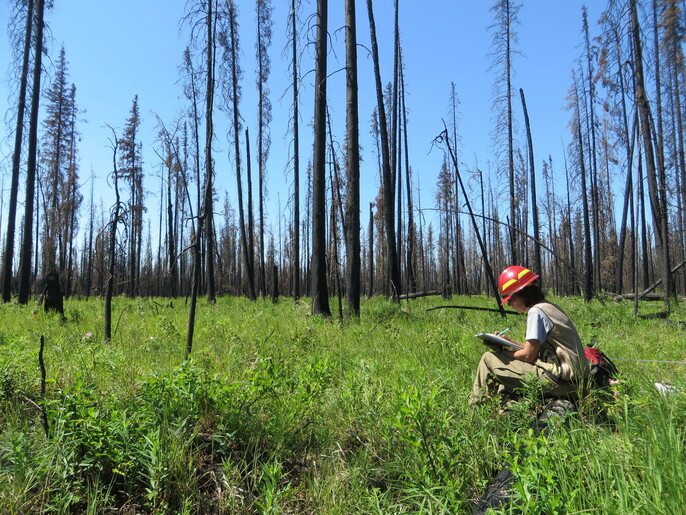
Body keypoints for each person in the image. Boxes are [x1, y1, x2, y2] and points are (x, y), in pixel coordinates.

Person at [469, 265, 589, 406]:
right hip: (577, 380)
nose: (509, 304)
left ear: (522, 294)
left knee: (488, 358)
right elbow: (533, 349)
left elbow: (529, 356)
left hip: (563, 381)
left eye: (510, 300)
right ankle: (502, 405)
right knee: (505, 371)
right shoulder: (548, 307)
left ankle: (476, 407)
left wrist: (502, 351)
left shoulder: (536, 312)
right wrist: (508, 342)